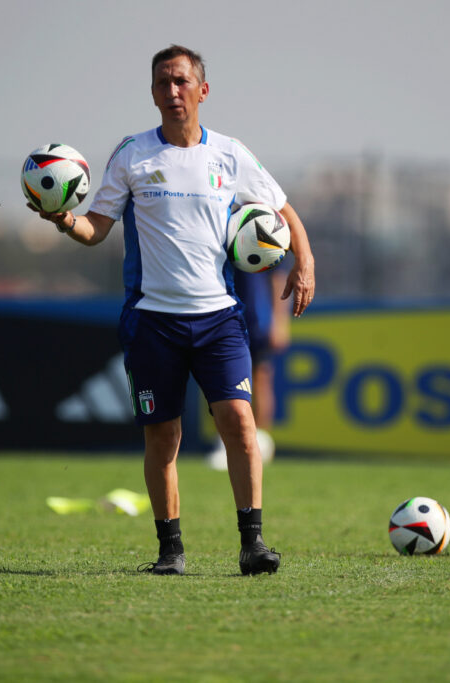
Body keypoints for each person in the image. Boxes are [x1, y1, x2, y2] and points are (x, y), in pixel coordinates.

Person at [30, 45, 315, 575]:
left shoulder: (229, 154)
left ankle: (253, 544)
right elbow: (97, 229)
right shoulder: (133, 155)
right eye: (163, 82)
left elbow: (281, 207)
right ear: (153, 92)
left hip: (218, 319)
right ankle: (170, 553)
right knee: (164, 436)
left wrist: (306, 259)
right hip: (152, 322)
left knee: (239, 423)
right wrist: (64, 221)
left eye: (181, 81)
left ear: (203, 90)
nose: (172, 91)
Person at [206, 263, 291, 471]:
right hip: (218, 313)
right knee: (218, 379)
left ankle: (260, 439)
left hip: (254, 316)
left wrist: (279, 321)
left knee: (260, 377)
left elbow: (278, 276)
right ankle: (226, 441)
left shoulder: (261, 231)